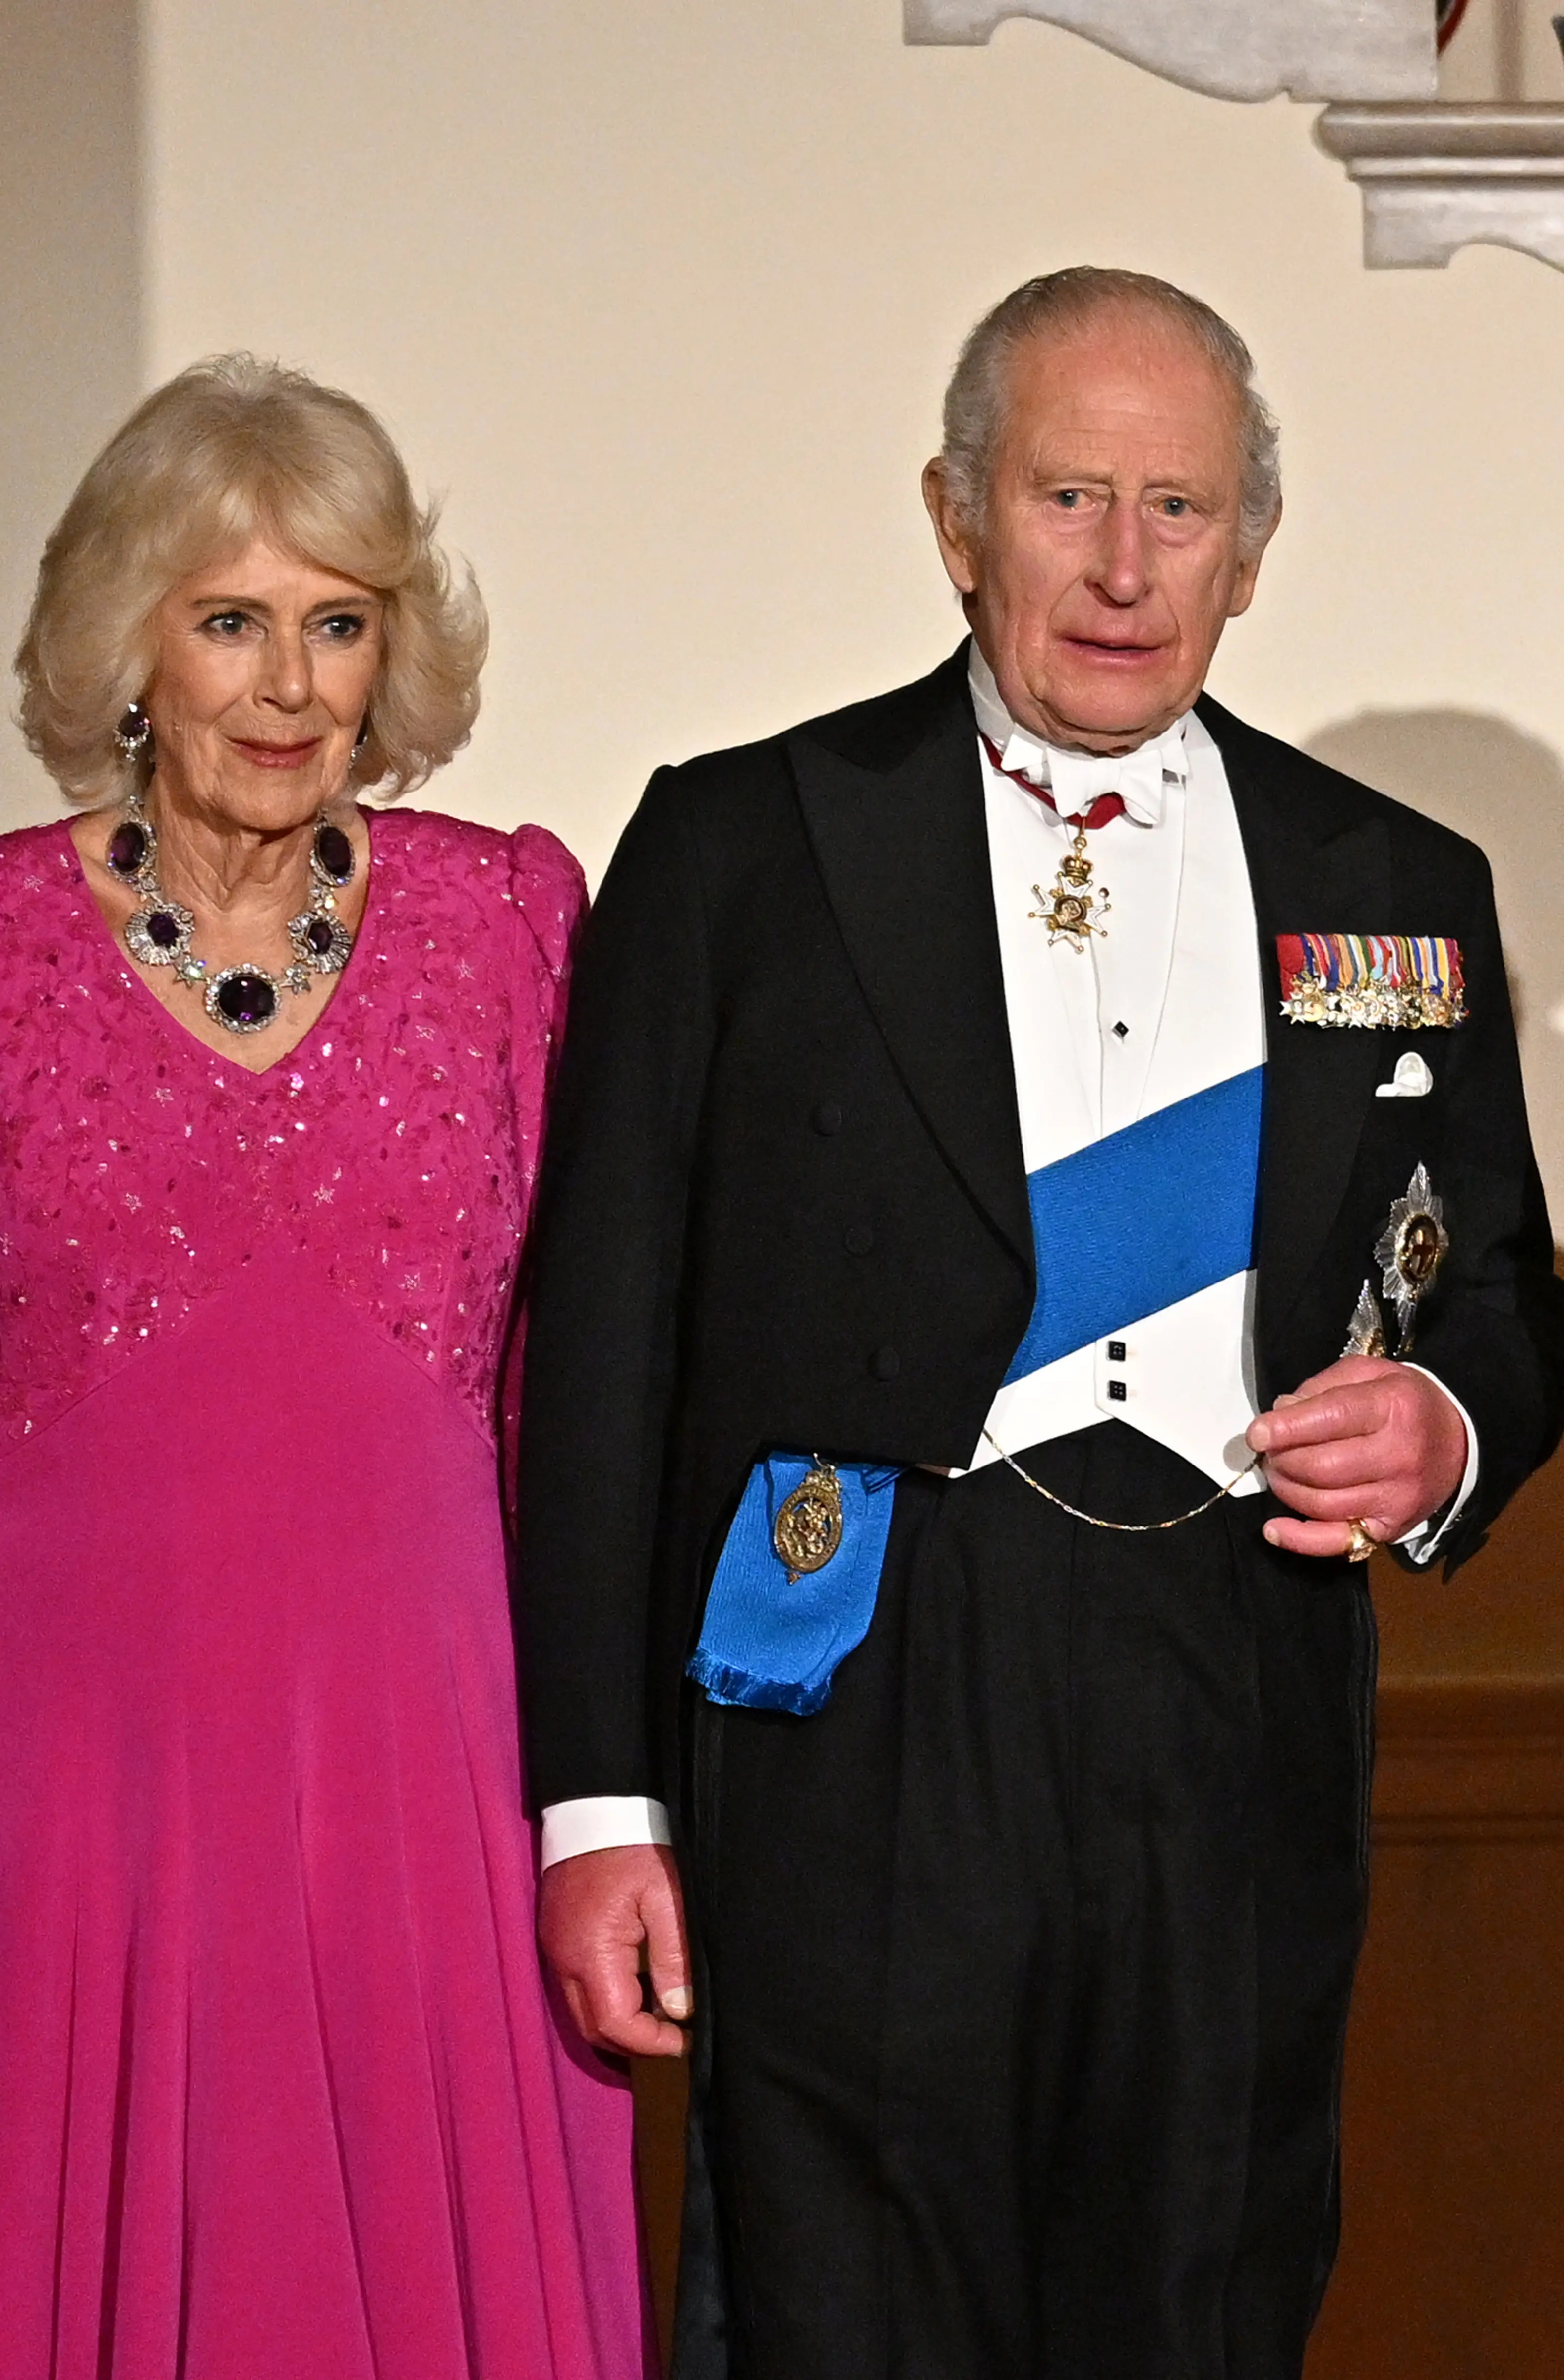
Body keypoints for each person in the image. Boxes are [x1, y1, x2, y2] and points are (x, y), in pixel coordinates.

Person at [514, 268, 1564, 2379]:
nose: (1119, 564)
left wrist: (1447, 1426)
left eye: (1178, 507)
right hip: (865, 1697)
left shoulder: (1396, 874)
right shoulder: (742, 842)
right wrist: (598, 1805)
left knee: (1202, 2305)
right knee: (844, 2322)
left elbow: (1509, 1293)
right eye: (1067, 493)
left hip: (1230, 1687)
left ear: (1249, 549)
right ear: (954, 513)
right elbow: (601, 1347)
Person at [0, 354, 648, 2380]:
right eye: (231, 621)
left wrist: (617, 1770)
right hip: (60, 1774)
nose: (291, 682)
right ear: (129, 645)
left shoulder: (512, 922)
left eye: (338, 620)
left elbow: (577, 1380)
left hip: (431, 1762)